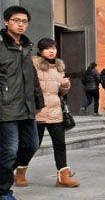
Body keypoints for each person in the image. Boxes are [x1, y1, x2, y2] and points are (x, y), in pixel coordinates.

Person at [15, 38, 80, 187]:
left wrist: (65, 85)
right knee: (32, 145)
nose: (52, 51)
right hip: (37, 112)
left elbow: (61, 92)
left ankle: (62, 177)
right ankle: (20, 172)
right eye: (47, 48)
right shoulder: (33, 65)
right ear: (40, 51)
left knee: (60, 144)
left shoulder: (59, 67)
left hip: (55, 112)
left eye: (54, 48)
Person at [0, 6, 45, 200]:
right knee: (9, 149)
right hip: (6, 106)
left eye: (24, 21)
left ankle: (3, 172)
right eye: (16, 20)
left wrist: (38, 102)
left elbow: (33, 78)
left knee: (32, 144)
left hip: (26, 107)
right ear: (6, 22)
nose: (21, 24)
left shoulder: (26, 48)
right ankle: (3, 193)